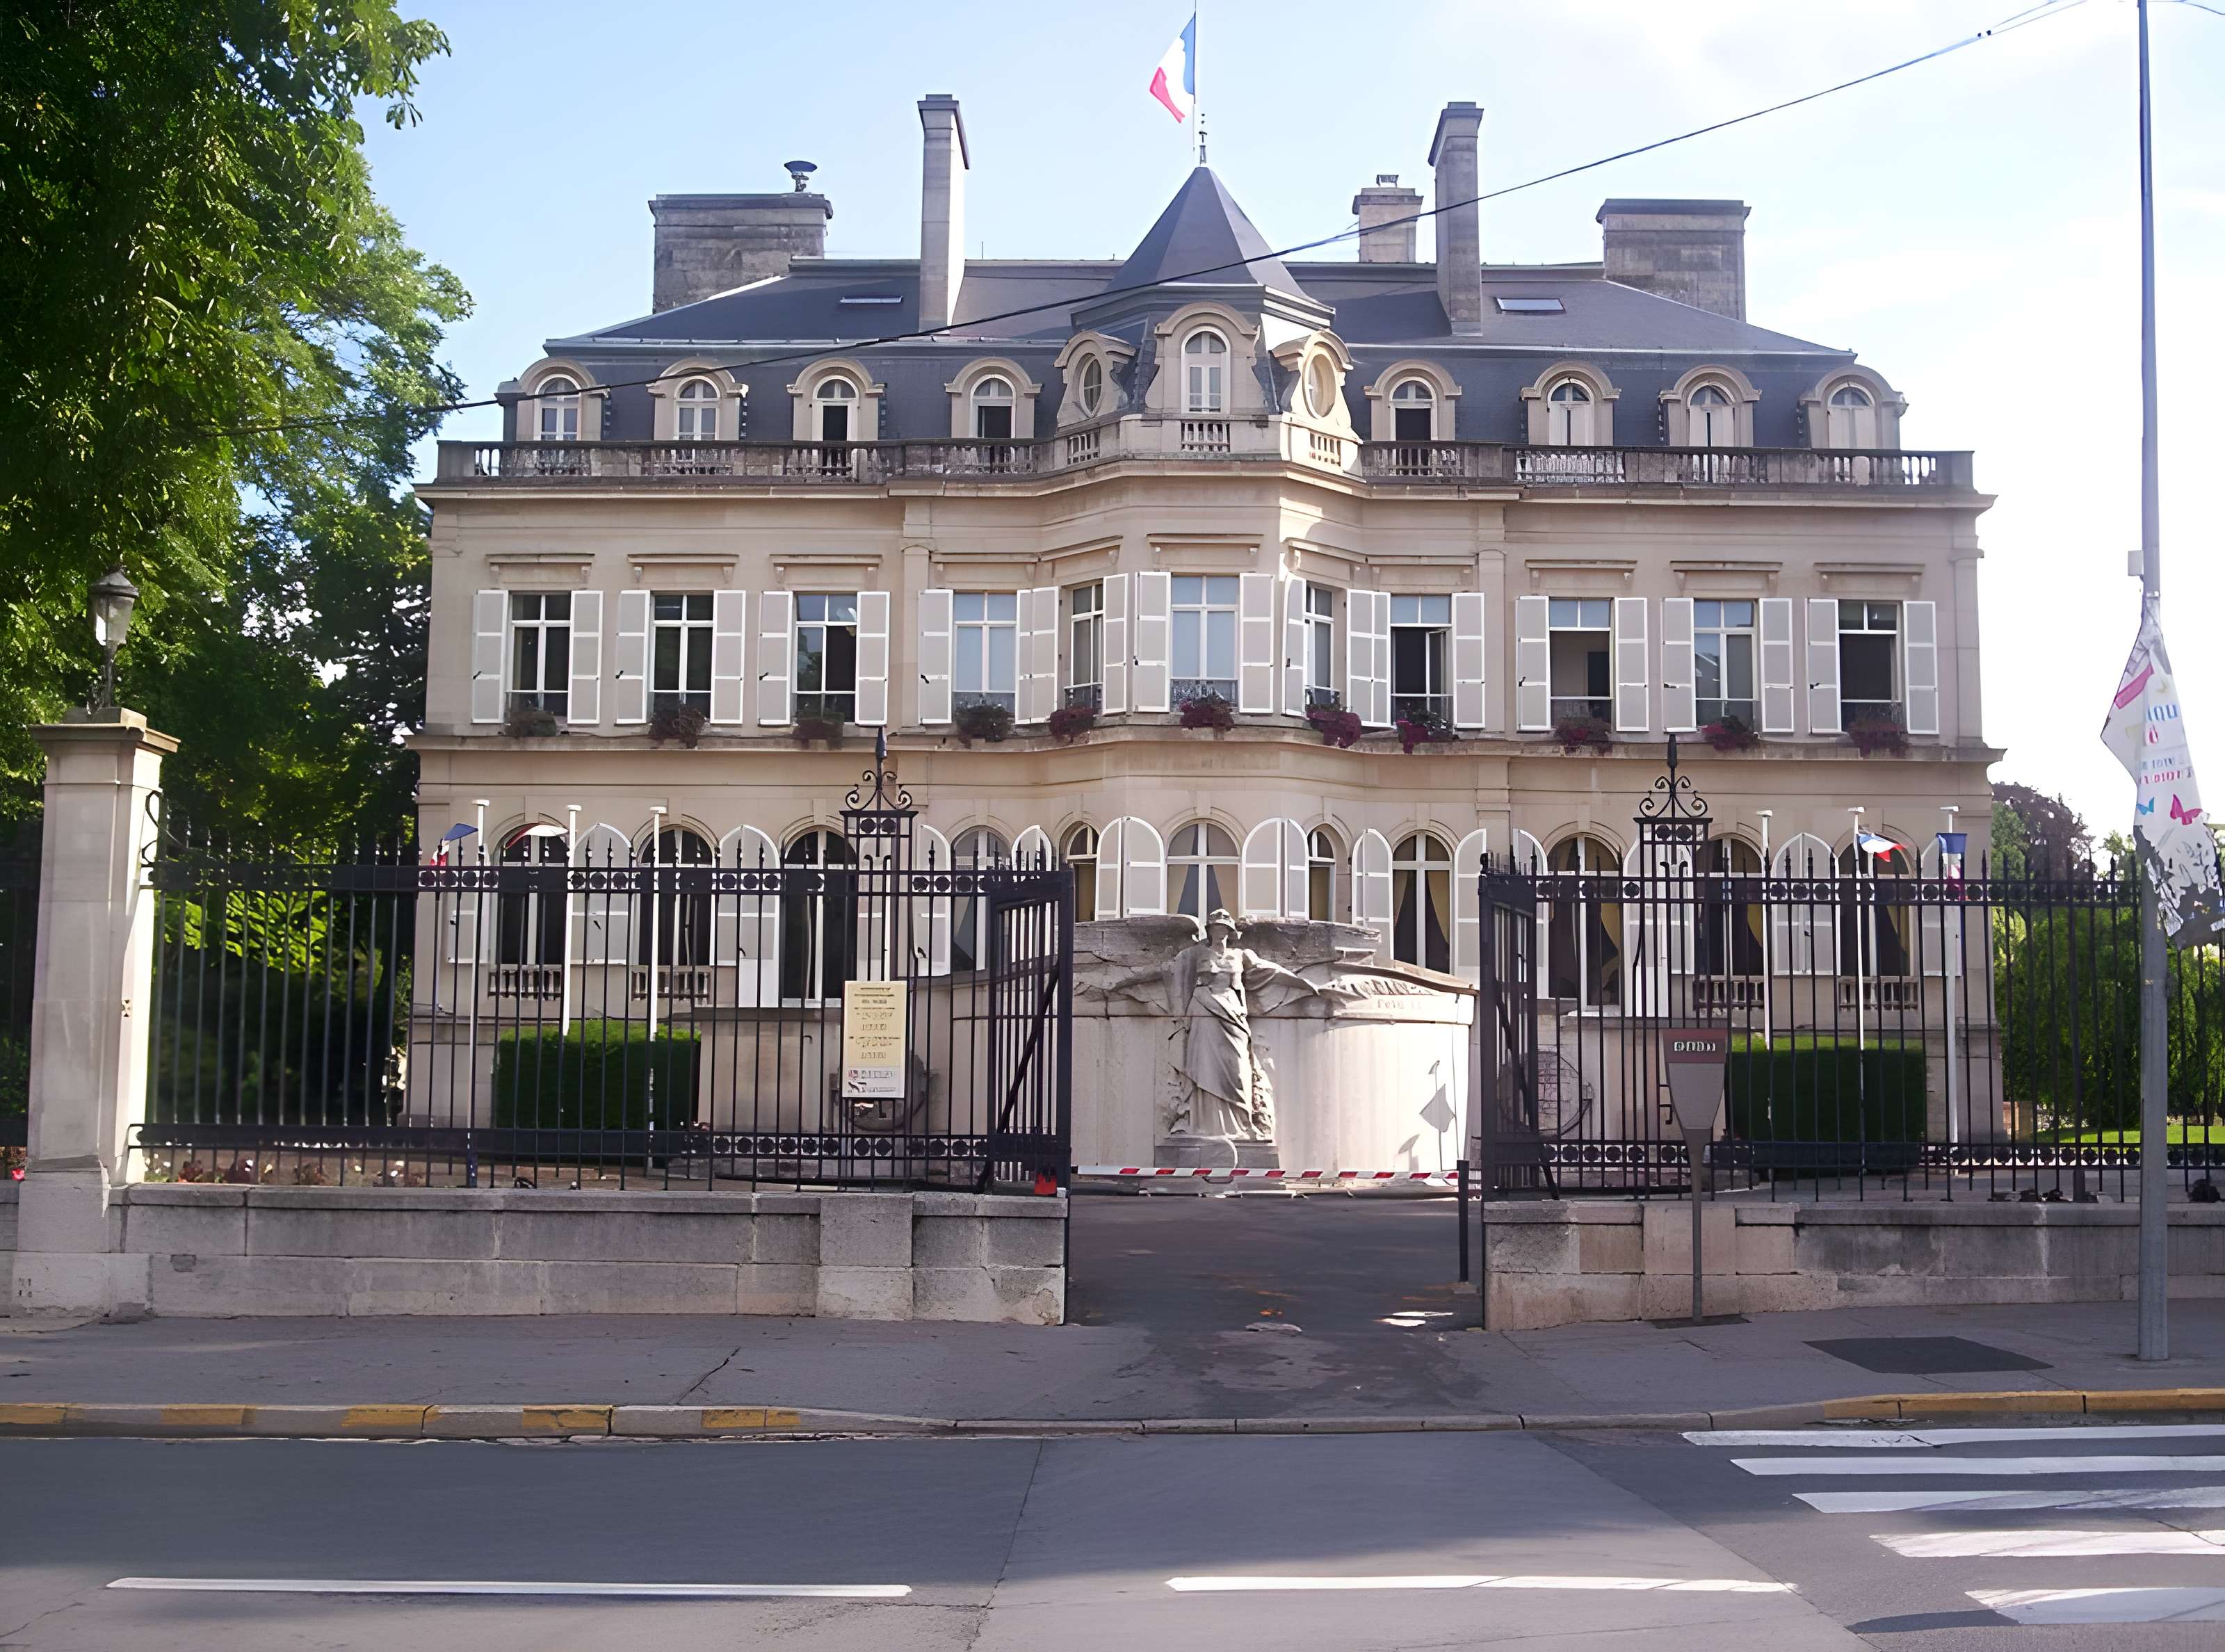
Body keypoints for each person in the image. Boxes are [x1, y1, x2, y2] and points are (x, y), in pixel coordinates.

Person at [1110, 909, 1352, 1140]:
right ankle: (1200, 1124)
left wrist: (1305, 984)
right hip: (1202, 1011)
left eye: (1224, 928)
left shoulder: (1241, 955)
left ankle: (1241, 1124)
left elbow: (1272, 972)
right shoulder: (1194, 954)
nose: (1220, 932)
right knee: (1202, 1067)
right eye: (1216, 927)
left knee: (1238, 1068)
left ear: (1230, 931)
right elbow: (1168, 972)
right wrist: (1123, 983)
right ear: (1209, 930)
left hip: (1233, 1014)